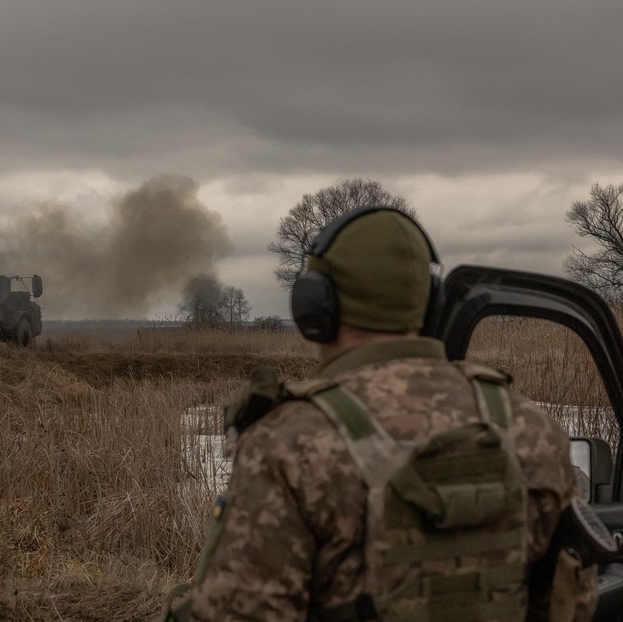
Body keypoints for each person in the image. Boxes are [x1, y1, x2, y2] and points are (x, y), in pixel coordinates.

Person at [186, 207, 601, 621]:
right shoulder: (530, 428)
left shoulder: (288, 444)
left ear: (315, 307)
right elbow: (573, 603)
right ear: (431, 303)